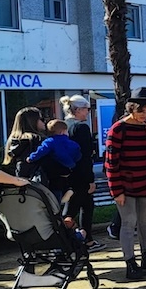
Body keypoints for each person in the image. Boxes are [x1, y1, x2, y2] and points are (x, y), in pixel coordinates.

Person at [105, 87, 146, 280]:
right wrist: (116, 191)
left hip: (145, 183)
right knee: (128, 224)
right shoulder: (118, 129)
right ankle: (130, 262)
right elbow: (111, 162)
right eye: (141, 111)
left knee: (145, 222)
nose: (144, 115)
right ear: (131, 108)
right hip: (125, 187)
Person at [61, 95, 105, 252]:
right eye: (86, 109)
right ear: (78, 110)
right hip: (81, 176)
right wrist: (90, 180)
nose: (88, 112)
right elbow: (85, 156)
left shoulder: (65, 126)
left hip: (68, 174)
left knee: (83, 205)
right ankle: (71, 241)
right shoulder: (82, 127)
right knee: (75, 209)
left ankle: (87, 240)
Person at [27, 119, 81, 202]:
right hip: (69, 166)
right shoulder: (72, 143)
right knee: (64, 180)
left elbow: (41, 151)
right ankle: (67, 190)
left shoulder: (49, 142)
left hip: (56, 167)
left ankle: (56, 202)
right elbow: (78, 154)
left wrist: (31, 158)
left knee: (55, 186)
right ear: (63, 132)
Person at [3, 107, 45, 181]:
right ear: (33, 121)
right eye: (41, 119)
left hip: (22, 182)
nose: (44, 122)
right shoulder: (38, 139)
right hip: (41, 182)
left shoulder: (13, 141)